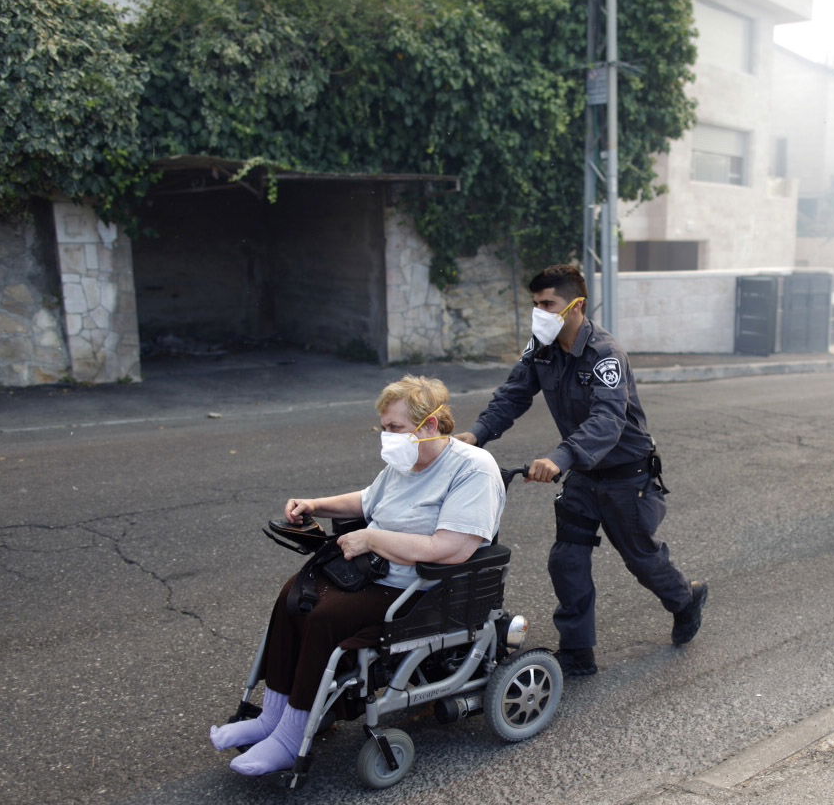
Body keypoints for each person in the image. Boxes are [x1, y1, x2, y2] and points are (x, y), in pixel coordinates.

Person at [209, 375, 504, 776]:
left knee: (325, 618)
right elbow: (367, 501)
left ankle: (292, 735)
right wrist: (314, 504)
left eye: (395, 428)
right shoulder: (407, 461)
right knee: (293, 596)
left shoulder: (472, 470)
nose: (388, 438)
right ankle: (272, 717)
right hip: (374, 574)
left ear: (430, 425)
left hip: (420, 590)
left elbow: (450, 549)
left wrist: (371, 539)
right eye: (384, 429)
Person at [453, 264, 706, 677]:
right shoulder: (542, 347)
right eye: (536, 304)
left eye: (548, 304)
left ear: (577, 306)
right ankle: (577, 650)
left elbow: (608, 421)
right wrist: (477, 434)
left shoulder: (606, 355)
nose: (540, 313)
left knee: (642, 559)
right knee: (567, 560)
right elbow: (513, 394)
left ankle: (685, 599)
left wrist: (560, 458)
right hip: (585, 477)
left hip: (627, 478)